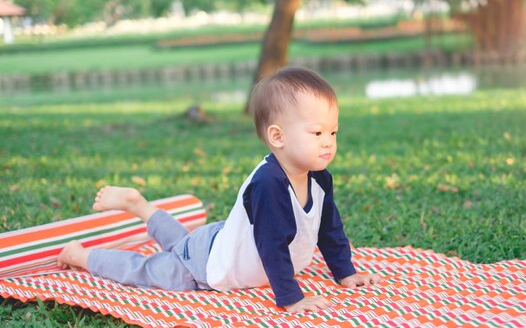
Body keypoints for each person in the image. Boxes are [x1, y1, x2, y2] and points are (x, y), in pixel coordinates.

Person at [57, 67, 381, 313]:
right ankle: (81, 255)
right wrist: (291, 298)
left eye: (333, 132)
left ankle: (141, 206)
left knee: (182, 243)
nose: (328, 141)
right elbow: (272, 245)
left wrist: (344, 272)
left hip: (218, 240)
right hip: (206, 267)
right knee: (147, 269)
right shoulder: (269, 184)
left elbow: (329, 228)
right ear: (278, 137)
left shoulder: (319, 178)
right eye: (317, 132)